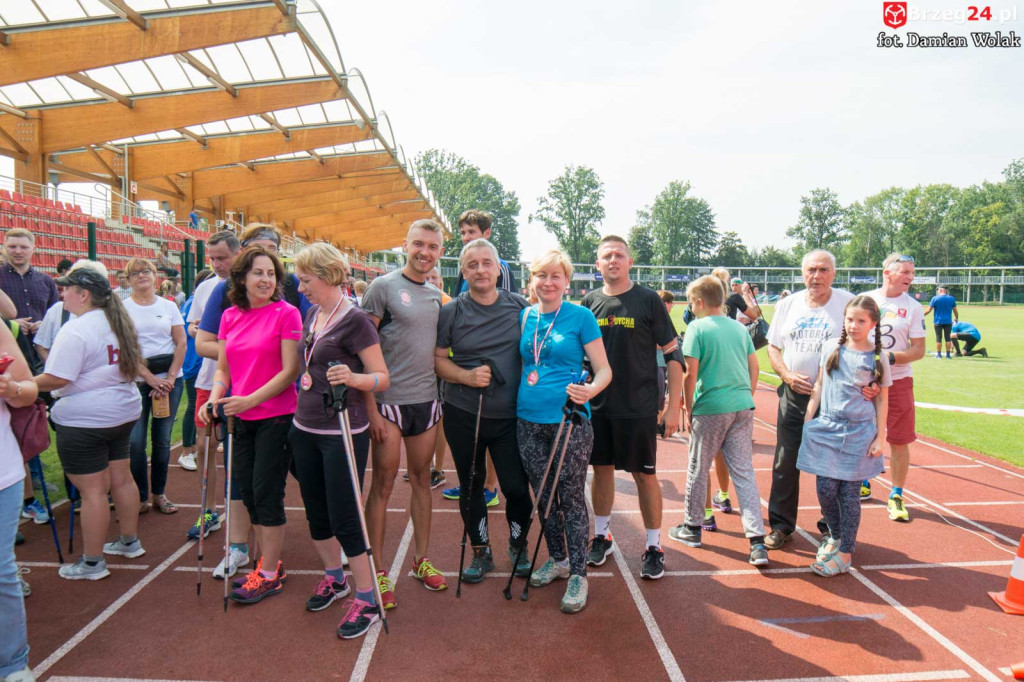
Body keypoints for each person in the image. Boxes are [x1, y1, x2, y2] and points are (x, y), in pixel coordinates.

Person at [289, 242, 390, 638]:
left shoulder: (357, 321)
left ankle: (367, 598)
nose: (301, 287)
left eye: (307, 279)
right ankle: (335, 578)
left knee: (346, 516)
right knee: (316, 511)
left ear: (329, 276)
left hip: (342, 433)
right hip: (305, 427)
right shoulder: (314, 313)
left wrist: (353, 378)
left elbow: (382, 376)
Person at [198, 246, 301, 604]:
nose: (266, 280)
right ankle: (267, 564)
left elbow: (290, 371)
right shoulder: (229, 317)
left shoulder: (287, 314)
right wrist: (215, 396)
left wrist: (250, 400)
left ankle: (269, 572)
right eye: (258, 272)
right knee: (249, 493)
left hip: (275, 417)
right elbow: (224, 369)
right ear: (242, 278)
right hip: (239, 418)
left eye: (271, 274)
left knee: (267, 492)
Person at [33, 263, 144, 580]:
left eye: (67, 288)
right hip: (121, 410)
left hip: (86, 417)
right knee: (121, 478)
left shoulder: (76, 328)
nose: (62, 292)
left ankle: (93, 563)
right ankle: (128, 541)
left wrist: (25, 385)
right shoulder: (116, 320)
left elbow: (57, 377)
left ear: (83, 295)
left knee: (92, 490)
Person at [517, 249, 611, 613]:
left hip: (568, 420)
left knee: (570, 496)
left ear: (567, 281)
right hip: (526, 420)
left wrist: (590, 390)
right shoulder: (525, 316)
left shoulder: (581, 316)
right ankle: (557, 558)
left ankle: (578, 574)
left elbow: (604, 369)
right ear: (533, 280)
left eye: (556, 276)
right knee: (542, 496)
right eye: (542, 275)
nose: (548, 282)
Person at [435, 238, 535, 583]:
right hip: (464, 414)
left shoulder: (520, 308)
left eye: (486, 263)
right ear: (463, 271)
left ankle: (518, 544)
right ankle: (481, 551)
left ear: (498, 269)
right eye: (472, 264)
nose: (480, 270)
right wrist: (465, 375)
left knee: (517, 488)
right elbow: (436, 359)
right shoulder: (451, 311)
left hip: (510, 417)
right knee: (471, 485)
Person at [581, 235, 681, 579]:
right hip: (599, 406)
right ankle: (602, 535)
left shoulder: (648, 300)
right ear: (597, 265)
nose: (613, 261)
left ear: (629, 262)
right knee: (602, 470)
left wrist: (672, 405)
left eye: (619, 255)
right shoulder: (588, 302)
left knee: (644, 475)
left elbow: (673, 353)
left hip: (638, 407)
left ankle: (654, 545)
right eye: (606, 256)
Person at [361, 220, 449, 608]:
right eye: (418, 244)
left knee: (420, 480)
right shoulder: (382, 288)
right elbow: (361, 349)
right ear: (405, 245)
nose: (424, 252)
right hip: (387, 404)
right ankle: (376, 570)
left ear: (440, 253)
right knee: (381, 484)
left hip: (425, 403)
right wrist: (371, 411)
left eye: (432, 246)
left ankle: (421, 560)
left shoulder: (436, 296)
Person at [667, 276, 768, 566]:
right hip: (741, 406)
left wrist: (688, 405)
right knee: (744, 472)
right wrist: (746, 396)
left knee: (698, 468)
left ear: (698, 302)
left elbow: (690, 372)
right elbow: (754, 365)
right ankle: (757, 541)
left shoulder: (697, 328)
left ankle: (692, 527)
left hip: (711, 407)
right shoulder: (738, 327)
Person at [765, 250, 858, 551]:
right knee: (784, 462)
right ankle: (780, 526)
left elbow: (866, 343)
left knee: (831, 466)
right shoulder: (787, 304)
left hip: (834, 398)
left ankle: (830, 527)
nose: (816, 276)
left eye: (823, 269)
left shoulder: (847, 302)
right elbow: (773, 348)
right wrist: (787, 375)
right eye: (810, 270)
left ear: (833, 272)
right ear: (802, 273)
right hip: (794, 394)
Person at [797, 295, 891, 577]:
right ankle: (836, 536)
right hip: (826, 427)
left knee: (849, 494)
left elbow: (883, 399)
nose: (854, 325)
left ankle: (846, 552)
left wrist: (880, 437)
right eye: (850, 319)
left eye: (861, 321)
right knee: (825, 488)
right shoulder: (831, 349)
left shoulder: (877, 356)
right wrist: (808, 419)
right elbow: (819, 385)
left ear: (873, 323)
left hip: (859, 432)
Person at [442, 209, 513, 506]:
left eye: (471, 232)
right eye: (462, 233)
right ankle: (476, 482)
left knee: (495, 438)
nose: (465, 237)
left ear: (486, 233)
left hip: (497, 383)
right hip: (464, 385)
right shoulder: (464, 269)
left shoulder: (501, 268)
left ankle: (490, 486)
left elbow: (502, 310)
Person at [190, 231, 250, 574]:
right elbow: (201, 339)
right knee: (232, 468)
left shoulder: (283, 294)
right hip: (224, 388)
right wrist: (248, 350)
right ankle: (236, 543)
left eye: (222, 257)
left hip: (272, 396)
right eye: (212, 258)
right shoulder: (213, 290)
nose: (216, 264)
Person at [123, 258, 186, 514]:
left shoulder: (168, 306)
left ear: (155, 275)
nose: (141, 276)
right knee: (136, 443)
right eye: (135, 273)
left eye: (146, 271)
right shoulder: (122, 308)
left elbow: (181, 342)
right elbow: (125, 348)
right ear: (128, 280)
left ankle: (159, 493)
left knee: (161, 440)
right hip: (137, 382)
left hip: (170, 382)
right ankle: (140, 496)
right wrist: (150, 379)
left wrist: (169, 379)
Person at [866, 254, 926, 521]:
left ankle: (896, 494)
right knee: (862, 432)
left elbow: (919, 350)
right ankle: (863, 480)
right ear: (887, 272)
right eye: (905, 272)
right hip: (864, 379)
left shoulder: (912, 307)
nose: (910, 278)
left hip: (899, 380)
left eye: (912, 274)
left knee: (899, 439)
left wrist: (891, 358)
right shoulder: (867, 300)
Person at [1, 322, 40, 682]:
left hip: (2, 471)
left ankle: (12, 663)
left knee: (0, 570)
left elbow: (28, 390)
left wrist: (10, 387)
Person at [404, 266, 451, 490]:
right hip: (418, 370)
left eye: (435, 277)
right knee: (418, 419)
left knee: (438, 420)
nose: (431, 280)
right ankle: (421, 466)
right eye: (428, 276)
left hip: (438, 370)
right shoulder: (414, 299)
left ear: (440, 283)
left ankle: (438, 469)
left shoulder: (447, 303)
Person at [176, 269, 214, 472]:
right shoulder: (193, 302)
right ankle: (186, 451)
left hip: (197, 363)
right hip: (195, 364)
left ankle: (190, 449)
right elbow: (189, 331)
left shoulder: (190, 302)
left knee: (196, 407)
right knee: (193, 407)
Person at [0, 229, 59, 352]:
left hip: (40, 352)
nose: (18, 251)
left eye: (24, 247)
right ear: (4, 247)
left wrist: (44, 326)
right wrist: (10, 325)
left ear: (33, 249)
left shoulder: (47, 281)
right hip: (7, 351)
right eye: (12, 246)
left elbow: (56, 317)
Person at [923, 286, 958, 359]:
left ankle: (939, 354)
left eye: (938, 290)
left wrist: (922, 315)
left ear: (941, 290)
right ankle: (948, 355)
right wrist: (956, 317)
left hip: (938, 321)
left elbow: (929, 310)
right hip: (948, 321)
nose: (938, 291)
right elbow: (955, 310)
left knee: (939, 338)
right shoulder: (951, 298)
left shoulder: (935, 298)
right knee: (947, 338)